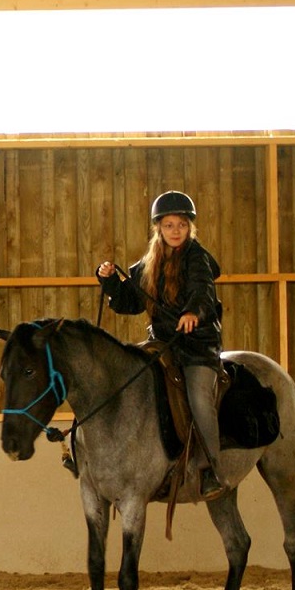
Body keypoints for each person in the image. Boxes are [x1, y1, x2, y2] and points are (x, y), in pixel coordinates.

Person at [96, 190, 226, 498]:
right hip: (163, 344)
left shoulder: (197, 258)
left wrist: (193, 312)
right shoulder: (147, 264)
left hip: (197, 346)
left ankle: (211, 469)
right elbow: (130, 302)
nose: (175, 231)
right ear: (159, 228)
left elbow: (203, 291)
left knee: (199, 398)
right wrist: (110, 280)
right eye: (169, 225)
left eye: (181, 224)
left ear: (189, 227)